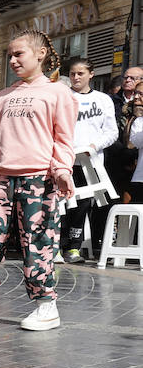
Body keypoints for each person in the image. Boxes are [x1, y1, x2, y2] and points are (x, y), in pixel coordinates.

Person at [0, 30, 77, 331]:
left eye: (18, 54)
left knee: (39, 242)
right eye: (10, 55)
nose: (12, 60)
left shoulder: (59, 93)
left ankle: (46, 305)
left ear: (41, 54)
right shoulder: (4, 96)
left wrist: (62, 171)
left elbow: (64, 139)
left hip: (38, 181)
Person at [60, 57, 118, 264]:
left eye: (80, 73)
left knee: (83, 204)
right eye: (73, 74)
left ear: (91, 75)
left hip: (91, 162)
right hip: (64, 161)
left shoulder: (103, 100)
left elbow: (112, 132)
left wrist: (94, 146)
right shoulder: (63, 96)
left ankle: (74, 248)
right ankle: (58, 246)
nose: (76, 77)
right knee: (61, 204)